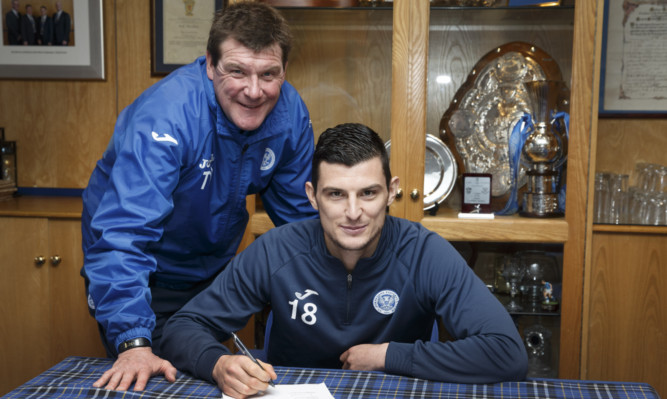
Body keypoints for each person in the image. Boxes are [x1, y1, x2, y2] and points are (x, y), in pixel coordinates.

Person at [160, 123, 529, 398]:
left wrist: (387, 356)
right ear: (312, 196)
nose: (354, 213)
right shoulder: (276, 250)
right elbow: (183, 327)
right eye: (336, 194)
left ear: (392, 192)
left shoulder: (424, 252)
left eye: (368, 193)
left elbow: (507, 353)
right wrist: (218, 363)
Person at [82, 1, 317, 393]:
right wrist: (133, 342)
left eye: (269, 74)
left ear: (284, 71)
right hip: (142, 275)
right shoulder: (167, 116)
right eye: (237, 71)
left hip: (212, 277)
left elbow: (302, 224)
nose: (254, 91)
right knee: (150, 379)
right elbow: (123, 235)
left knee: (216, 380)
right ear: (210, 65)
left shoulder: (289, 113)